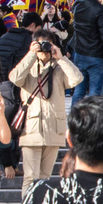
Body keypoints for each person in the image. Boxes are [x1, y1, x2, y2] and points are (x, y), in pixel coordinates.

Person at [9, 28, 83, 193]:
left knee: (45, 177)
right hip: (31, 129)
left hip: (53, 128)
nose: (43, 48)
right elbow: (14, 78)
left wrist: (61, 57)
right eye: (40, 44)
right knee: (30, 176)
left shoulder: (59, 67)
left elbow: (77, 78)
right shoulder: (28, 65)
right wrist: (30, 54)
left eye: (47, 44)